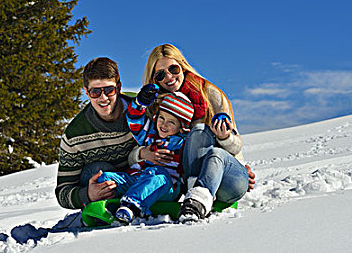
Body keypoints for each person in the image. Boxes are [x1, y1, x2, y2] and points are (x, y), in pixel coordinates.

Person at [140, 43, 256, 222]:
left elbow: (237, 145)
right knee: (198, 135)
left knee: (203, 135)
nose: (169, 77)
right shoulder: (156, 106)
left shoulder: (209, 94)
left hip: (223, 173)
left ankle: (198, 196)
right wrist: (141, 154)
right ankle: (196, 198)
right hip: (184, 179)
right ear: (155, 79)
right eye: (161, 74)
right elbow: (140, 136)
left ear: (182, 65)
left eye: (173, 69)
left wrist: (226, 141)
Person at [98, 85, 194, 223]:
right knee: (106, 177)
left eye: (171, 122)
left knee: (157, 173)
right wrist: (140, 102)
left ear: (182, 127)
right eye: (162, 118)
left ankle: (131, 206)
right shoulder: (150, 135)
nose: (164, 125)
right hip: (138, 179)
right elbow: (135, 121)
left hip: (165, 186)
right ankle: (108, 203)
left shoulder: (183, 143)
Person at [55, 57, 139, 209]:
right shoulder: (74, 135)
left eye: (109, 90)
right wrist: (87, 194)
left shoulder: (140, 109)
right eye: (95, 92)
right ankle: (109, 211)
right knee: (98, 171)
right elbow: (62, 191)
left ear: (118, 87)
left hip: (139, 178)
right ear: (87, 92)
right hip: (106, 189)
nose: (103, 97)